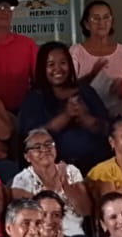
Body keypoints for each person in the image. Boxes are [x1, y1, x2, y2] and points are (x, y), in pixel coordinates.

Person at [19, 41, 111, 170]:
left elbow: (109, 129)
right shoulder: (35, 97)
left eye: (63, 63)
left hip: (96, 166)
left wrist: (87, 119)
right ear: (42, 68)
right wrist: (66, 116)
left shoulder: (86, 91)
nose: (58, 69)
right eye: (51, 64)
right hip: (54, 170)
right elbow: (30, 137)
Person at [10, 128, 91, 237]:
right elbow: (25, 217)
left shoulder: (71, 171)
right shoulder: (22, 180)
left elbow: (85, 210)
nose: (44, 149)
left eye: (48, 144)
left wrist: (65, 185)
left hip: (74, 234)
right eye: (37, 147)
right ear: (27, 157)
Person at [70, 0, 122, 118]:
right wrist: (92, 75)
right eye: (96, 18)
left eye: (106, 18)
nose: (101, 23)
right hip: (86, 118)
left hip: (119, 117)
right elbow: (69, 88)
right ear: (86, 24)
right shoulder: (76, 51)